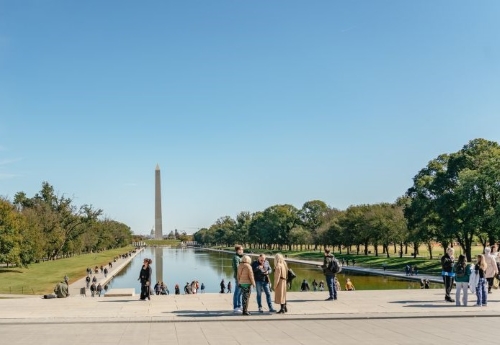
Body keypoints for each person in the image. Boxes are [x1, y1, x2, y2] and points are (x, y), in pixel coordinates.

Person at [232, 245, 244, 313]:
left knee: (240, 292)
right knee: (237, 292)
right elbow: (236, 268)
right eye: (240, 250)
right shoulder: (236, 257)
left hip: (241, 276)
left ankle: (239, 305)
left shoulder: (240, 257)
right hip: (238, 277)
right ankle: (235, 307)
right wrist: (239, 277)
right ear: (237, 250)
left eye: (242, 250)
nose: (242, 251)